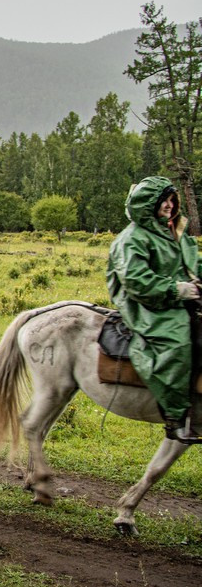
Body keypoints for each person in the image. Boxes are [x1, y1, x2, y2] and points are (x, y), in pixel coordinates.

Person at [107, 176, 202, 444]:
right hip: (145, 303)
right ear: (149, 203)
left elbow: (191, 264)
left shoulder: (173, 230)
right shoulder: (132, 238)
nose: (170, 205)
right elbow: (137, 282)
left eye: (173, 200)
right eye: (164, 200)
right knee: (176, 342)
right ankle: (176, 417)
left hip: (179, 295)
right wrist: (178, 290)